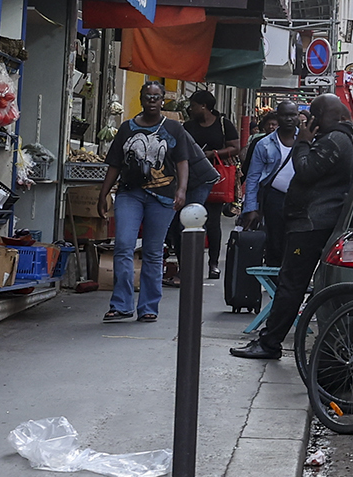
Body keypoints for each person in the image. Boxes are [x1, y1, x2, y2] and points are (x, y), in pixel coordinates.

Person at [231, 95, 353, 361]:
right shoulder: (347, 137)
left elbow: (305, 170)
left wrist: (303, 142)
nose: (310, 120)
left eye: (315, 114)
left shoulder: (335, 139)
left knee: (291, 284)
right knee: (292, 282)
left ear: (329, 116)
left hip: (311, 222)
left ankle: (270, 342)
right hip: (314, 220)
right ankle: (270, 340)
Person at [99, 82, 190, 323]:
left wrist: (181, 189)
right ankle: (121, 304)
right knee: (123, 245)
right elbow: (115, 164)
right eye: (148, 96)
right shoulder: (127, 128)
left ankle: (149, 306)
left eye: (156, 97)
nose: (152, 100)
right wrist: (103, 193)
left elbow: (182, 161)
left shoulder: (173, 128)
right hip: (130, 194)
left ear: (162, 100)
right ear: (141, 98)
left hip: (163, 196)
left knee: (153, 252)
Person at [181, 90, 235, 279]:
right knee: (188, 220)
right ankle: (188, 264)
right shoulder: (188, 126)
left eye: (193, 105)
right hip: (191, 178)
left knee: (212, 221)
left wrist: (213, 154)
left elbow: (236, 147)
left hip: (216, 178)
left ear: (204, 106)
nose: (190, 109)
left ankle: (213, 263)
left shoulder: (223, 124)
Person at [244, 101, 302, 262]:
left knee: (296, 244)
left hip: (300, 201)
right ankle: (274, 275)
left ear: (298, 116)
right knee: (274, 244)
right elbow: (253, 177)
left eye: (292, 115)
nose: (289, 119)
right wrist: (251, 208)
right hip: (274, 200)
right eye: (285, 115)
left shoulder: (307, 140)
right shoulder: (264, 144)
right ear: (278, 117)